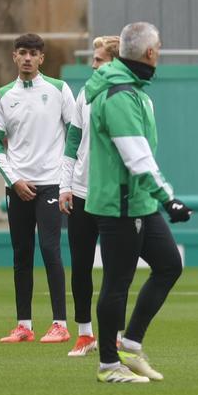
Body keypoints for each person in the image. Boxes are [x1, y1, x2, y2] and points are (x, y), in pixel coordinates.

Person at [84, 22, 192, 384]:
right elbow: (137, 157)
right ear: (150, 52)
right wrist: (170, 199)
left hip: (139, 200)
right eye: (158, 47)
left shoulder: (134, 91)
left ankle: (130, 344)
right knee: (117, 282)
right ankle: (108, 365)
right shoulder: (119, 96)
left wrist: (157, 197)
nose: (159, 52)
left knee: (169, 265)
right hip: (121, 203)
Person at [0, 33, 77, 344]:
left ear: (42, 58)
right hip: (18, 186)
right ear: (14, 56)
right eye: (22, 52)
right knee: (21, 254)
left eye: (33, 53)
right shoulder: (3, 95)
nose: (27, 58)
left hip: (51, 182)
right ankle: (24, 325)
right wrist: (14, 180)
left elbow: (75, 133)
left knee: (50, 249)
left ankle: (60, 324)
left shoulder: (58, 89)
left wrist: (68, 177)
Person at [57, 35, 120, 357]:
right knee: (80, 267)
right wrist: (64, 186)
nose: (92, 65)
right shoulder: (85, 93)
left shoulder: (127, 97)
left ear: (115, 62)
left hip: (111, 194)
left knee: (114, 270)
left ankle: (116, 334)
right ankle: (84, 334)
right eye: (93, 59)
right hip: (81, 193)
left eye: (99, 60)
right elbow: (73, 141)